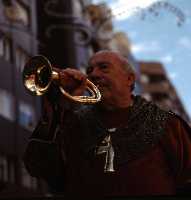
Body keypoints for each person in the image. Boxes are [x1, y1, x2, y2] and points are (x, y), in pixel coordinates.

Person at [23, 50, 191, 197]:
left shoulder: (167, 123)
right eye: (89, 70)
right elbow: (38, 166)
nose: (93, 74)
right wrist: (62, 102)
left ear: (129, 79)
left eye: (104, 67)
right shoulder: (72, 123)